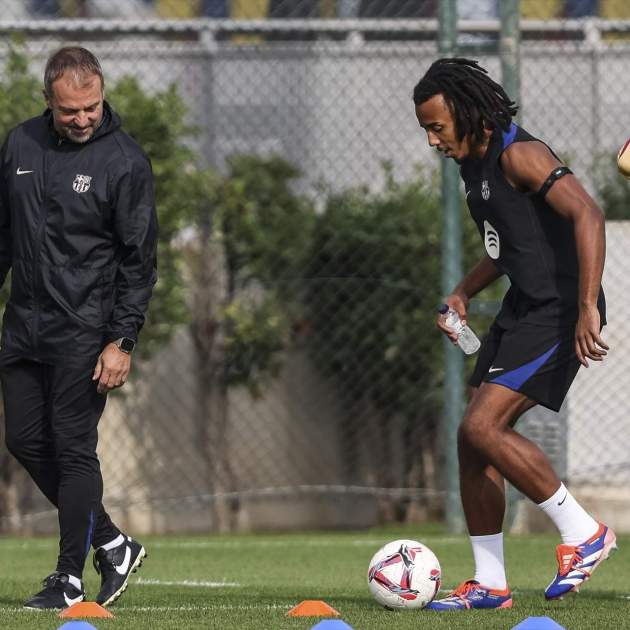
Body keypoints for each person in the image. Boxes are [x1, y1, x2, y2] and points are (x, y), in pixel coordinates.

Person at [412, 58, 615, 611]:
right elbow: (509, 245)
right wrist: (463, 292)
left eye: (436, 127)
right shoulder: (470, 164)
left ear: (464, 113)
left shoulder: (519, 155)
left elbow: (589, 216)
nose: (432, 140)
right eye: (426, 129)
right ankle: (490, 583)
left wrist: (586, 307)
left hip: (558, 309)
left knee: (483, 426)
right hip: (523, 306)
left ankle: (584, 534)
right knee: (471, 439)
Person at [0, 46, 157, 609]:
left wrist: (122, 340)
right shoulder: (19, 144)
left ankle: (68, 579)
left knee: (72, 447)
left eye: (92, 106)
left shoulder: (125, 161)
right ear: (48, 100)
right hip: (23, 326)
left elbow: (139, 262)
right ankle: (112, 542)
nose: (84, 118)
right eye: (70, 110)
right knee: (23, 439)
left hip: (85, 330)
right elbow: (3, 236)